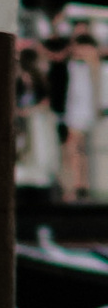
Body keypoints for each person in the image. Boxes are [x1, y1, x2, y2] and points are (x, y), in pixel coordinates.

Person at [66, 25, 103, 202]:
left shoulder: (91, 61)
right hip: (77, 108)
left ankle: (80, 185)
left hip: (82, 109)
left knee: (77, 149)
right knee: (77, 149)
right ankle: (80, 185)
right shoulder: (77, 61)